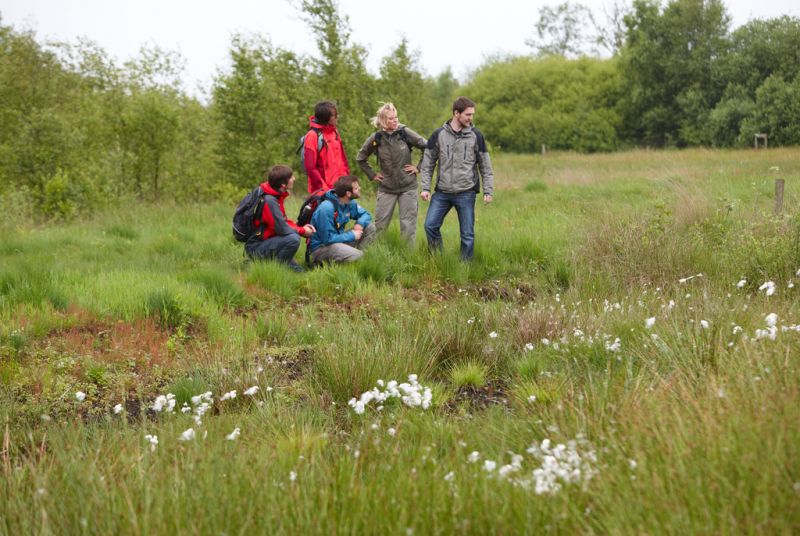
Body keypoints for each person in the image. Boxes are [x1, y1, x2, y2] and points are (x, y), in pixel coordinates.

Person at [419, 96, 494, 261]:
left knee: (467, 234)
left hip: (466, 192)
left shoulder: (476, 136)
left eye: (472, 114)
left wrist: (488, 190)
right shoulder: (438, 135)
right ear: (456, 113)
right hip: (442, 192)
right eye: (468, 114)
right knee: (430, 225)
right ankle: (438, 260)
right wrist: (425, 188)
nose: (471, 118)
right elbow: (427, 164)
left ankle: (465, 268)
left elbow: (486, 167)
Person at [356, 102, 427, 245]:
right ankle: (377, 256)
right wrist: (373, 175)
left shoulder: (405, 133)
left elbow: (428, 147)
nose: (395, 121)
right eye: (391, 118)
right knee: (380, 226)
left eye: (396, 117)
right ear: (383, 120)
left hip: (408, 187)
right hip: (386, 188)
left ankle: (408, 259)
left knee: (408, 227)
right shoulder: (376, 138)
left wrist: (418, 167)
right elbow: (361, 158)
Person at [245, 165, 316, 272]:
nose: (294, 179)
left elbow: (283, 222)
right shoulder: (270, 201)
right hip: (256, 247)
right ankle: (274, 269)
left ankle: (275, 264)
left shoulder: (275, 197)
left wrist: (300, 227)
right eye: (291, 177)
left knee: (301, 272)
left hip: (268, 242)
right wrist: (302, 231)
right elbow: (282, 229)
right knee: (293, 239)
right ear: (283, 185)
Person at [308, 175, 377, 264]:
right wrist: (352, 235)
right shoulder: (326, 208)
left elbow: (366, 214)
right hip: (321, 248)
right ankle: (356, 258)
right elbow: (327, 239)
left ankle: (360, 259)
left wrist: (360, 223)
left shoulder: (349, 202)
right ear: (348, 193)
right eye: (356, 188)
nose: (360, 188)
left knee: (370, 227)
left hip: (337, 241)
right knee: (357, 255)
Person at [303, 100, 350, 193]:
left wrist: (347, 182)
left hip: (340, 188)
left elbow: (343, 160)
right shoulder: (312, 135)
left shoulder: (335, 132)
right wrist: (324, 190)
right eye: (334, 115)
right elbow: (310, 167)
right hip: (323, 192)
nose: (337, 117)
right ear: (325, 118)